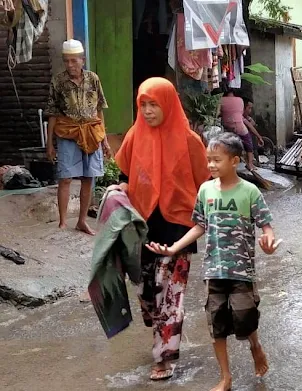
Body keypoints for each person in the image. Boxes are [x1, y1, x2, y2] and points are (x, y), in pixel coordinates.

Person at [145, 132, 279, 391]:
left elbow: (267, 227)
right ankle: (225, 377)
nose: (211, 165)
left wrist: (269, 244)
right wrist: (173, 248)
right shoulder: (205, 190)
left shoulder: (250, 192)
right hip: (214, 270)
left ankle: (256, 346)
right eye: (209, 160)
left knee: (245, 318)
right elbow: (199, 226)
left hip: (242, 272)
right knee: (216, 323)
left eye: (217, 160)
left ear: (235, 161)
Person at [111, 77, 211, 381]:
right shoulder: (134, 135)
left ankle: (165, 358)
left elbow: (206, 184)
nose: (148, 111)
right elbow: (125, 175)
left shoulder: (190, 140)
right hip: (142, 228)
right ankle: (161, 331)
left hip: (178, 228)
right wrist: (119, 189)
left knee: (170, 295)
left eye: (154, 104)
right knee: (147, 291)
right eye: (143, 104)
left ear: (167, 103)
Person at [45, 39, 111, 235]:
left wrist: (105, 141)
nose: (70, 65)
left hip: (91, 133)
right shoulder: (58, 81)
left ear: (83, 60)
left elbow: (99, 111)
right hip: (67, 132)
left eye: (74, 61)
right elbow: (52, 114)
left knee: (88, 178)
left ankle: (82, 221)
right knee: (65, 178)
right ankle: (63, 222)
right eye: (66, 61)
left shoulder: (93, 79)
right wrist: (50, 143)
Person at [219, 89, 260, 171]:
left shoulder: (221, 100)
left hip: (227, 128)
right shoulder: (239, 101)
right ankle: (250, 164)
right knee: (249, 144)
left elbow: (218, 113)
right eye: (249, 108)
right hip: (239, 127)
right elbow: (249, 126)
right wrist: (259, 137)